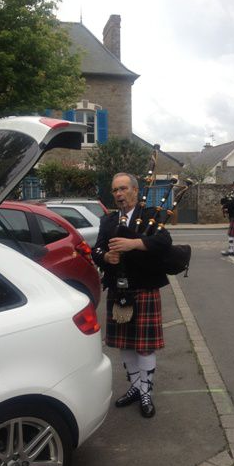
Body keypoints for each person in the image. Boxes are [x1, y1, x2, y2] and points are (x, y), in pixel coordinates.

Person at [92, 172, 172, 418]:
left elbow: (164, 241)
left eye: (123, 189)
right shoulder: (108, 221)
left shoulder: (150, 215)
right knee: (125, 344)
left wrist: (134, 244)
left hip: (144, 287)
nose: (119, 194)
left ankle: (146, 391)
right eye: (115, 190)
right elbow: (97, 249)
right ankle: (136, 388)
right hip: (119, 288)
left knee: (145, 347)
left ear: (135, 191)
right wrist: (105, 257)